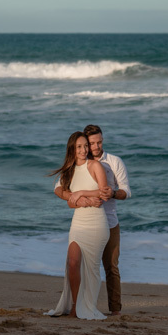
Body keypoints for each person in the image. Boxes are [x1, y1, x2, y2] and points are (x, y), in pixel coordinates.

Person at [45, 131, 111, 320]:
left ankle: (86, 306)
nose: (83, 150)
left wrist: (81, 193)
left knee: (91, 269)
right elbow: (60, 192)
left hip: (97, 223)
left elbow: (104, 193)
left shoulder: (95, 165)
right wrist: (74, 199)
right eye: (79, 147)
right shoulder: (70, 169)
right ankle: (75, 305)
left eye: (85, 146)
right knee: (72, 263)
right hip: (78, 223)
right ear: (72, 150)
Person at [82, 124, 130, 316]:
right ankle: (85, 306)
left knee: (111, 266)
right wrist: (81, 199)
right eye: (92, 143)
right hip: (87, 222)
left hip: (110, 222)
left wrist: (113, 193)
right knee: (87, 266)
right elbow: (61, 187)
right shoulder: (79, 162)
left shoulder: (114, 161)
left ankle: (115, 310)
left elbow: (127, 191)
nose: (96, 146)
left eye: (99, 142)